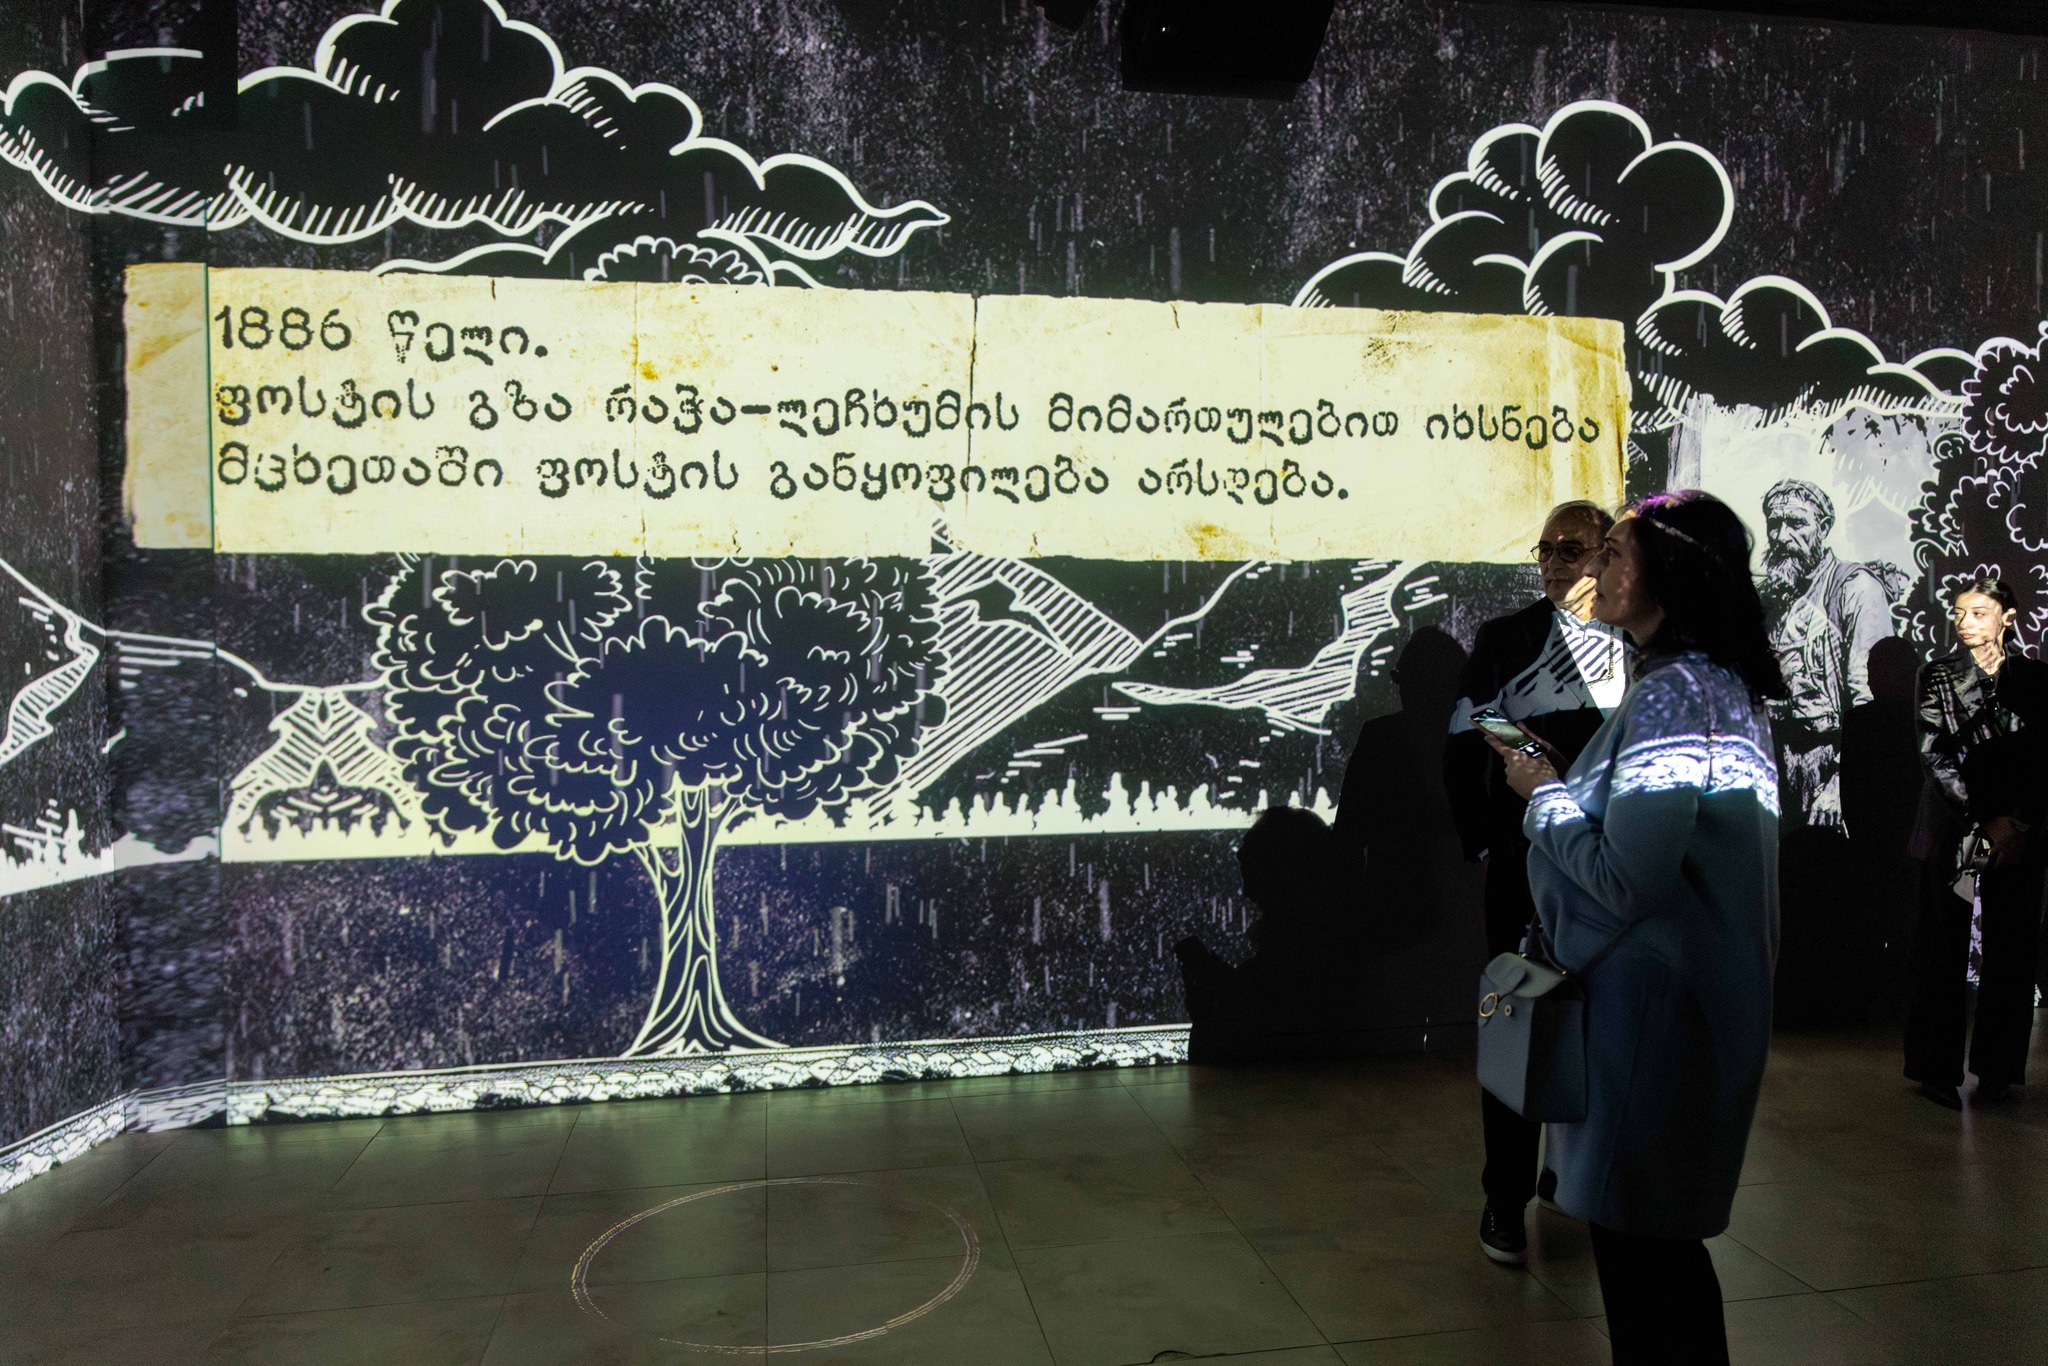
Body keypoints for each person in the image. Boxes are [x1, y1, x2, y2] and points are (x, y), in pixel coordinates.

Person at [1484, 491, 1784, 1366]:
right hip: (1687, 1009)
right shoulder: (1715, 686)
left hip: (1650, 1025)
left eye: (1614, 552)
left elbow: (1626, 877)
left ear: (1669, 575)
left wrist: (1545, 795)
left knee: (1645, 1263)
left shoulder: (1673, 696)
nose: (1595, 567)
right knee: (1662, 1255)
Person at [1443, 499, 1629, 1265]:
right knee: (1518, 1022)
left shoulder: (1641, 642)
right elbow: (1470, 727)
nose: (1552, 562)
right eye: (1545, 548)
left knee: (1606, 1027)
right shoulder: (1506, 637)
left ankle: (1576, 1176)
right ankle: (1505, 1196)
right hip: (1528, 859)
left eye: (1570, 548)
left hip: (1617, 863)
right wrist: (1499, 822)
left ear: (1606, 554)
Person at [1902, 576, 2048, 1109]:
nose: (1965, 621)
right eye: (1959, 612)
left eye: (1978, 612)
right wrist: (1986, 819)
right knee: (1943, 945)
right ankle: (1934, 1069)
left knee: (2011, 946)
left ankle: (1998, 1070)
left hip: (2017, 834)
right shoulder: (1937, 675)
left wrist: (2021, 822)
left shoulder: (2035, 678)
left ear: (2007, 618)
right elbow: (1935, 755)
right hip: (1957, 829)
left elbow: (2044, 757)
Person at [1759, 478, 1897, 832]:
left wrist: (1841, 782)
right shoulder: (1769, 597)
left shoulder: (1855, 588)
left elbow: (1871, 703)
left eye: (1797, 523)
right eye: (1775, 523)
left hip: (1830, 771)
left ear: (1822, 527)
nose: (1782, 536)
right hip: (1773, 769)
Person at [1175, 805, 1353, 1062]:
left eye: (1252, 848)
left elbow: (1235, 1050)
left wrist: (1210, 1009)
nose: (1240, 853)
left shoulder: (1289, 964)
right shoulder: (1319, 949)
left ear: (1282, 865)